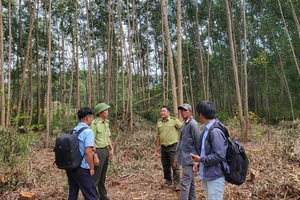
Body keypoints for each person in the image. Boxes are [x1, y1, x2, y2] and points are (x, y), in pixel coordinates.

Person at [190, 101, 229, 200]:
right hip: (207, 173)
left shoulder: (215, 131)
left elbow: (220, 155)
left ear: (201, 115)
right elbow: (206, 151)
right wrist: (199, 163)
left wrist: (201, 160)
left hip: (215, 175)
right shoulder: (206, 130)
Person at [66, 107, 98, 200]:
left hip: (72, 167)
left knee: (73, 193)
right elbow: (88, 152)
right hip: (83, 168)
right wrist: (91, 168)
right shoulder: (88, 132)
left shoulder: (74, 130)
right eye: (92, 117)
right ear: (87, 118)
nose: (92, 119)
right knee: (90, 195)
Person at [175, 103, 201, 200]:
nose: (183, 112)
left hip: (190, 159)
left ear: (190, 111)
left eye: (185, 110)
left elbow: (198, 143)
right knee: (191, 183)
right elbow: (181, 142)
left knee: (185, 184)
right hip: (184, 158)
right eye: (181, 110)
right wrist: (176, 157)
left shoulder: (193, 124)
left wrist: (197, 160)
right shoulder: (184, 124)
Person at [90, 103, 114, 200]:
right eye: (106, 110)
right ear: (100, 112)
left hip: (105, 150)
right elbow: (92, 139)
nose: (107, 112)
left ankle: (103, 196)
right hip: (98, 151)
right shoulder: (94, 123)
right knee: (96, 176)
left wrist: (111, 148)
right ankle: (93, 196)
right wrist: (94, 154)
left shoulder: (106, 123)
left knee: (103, 176)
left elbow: (108, 137)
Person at [156, 105, 182, 190]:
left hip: (173, 147)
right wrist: (158, 147)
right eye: (161, 111)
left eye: (164, 111)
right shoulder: (159, 123)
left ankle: (177, 184)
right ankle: (168, 182)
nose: (162, 113)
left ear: (168, 112)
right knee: (165, 166)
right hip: (163, 147)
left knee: (175, 166)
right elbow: (158, 136)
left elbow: (182, 128)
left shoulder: (174, 121)